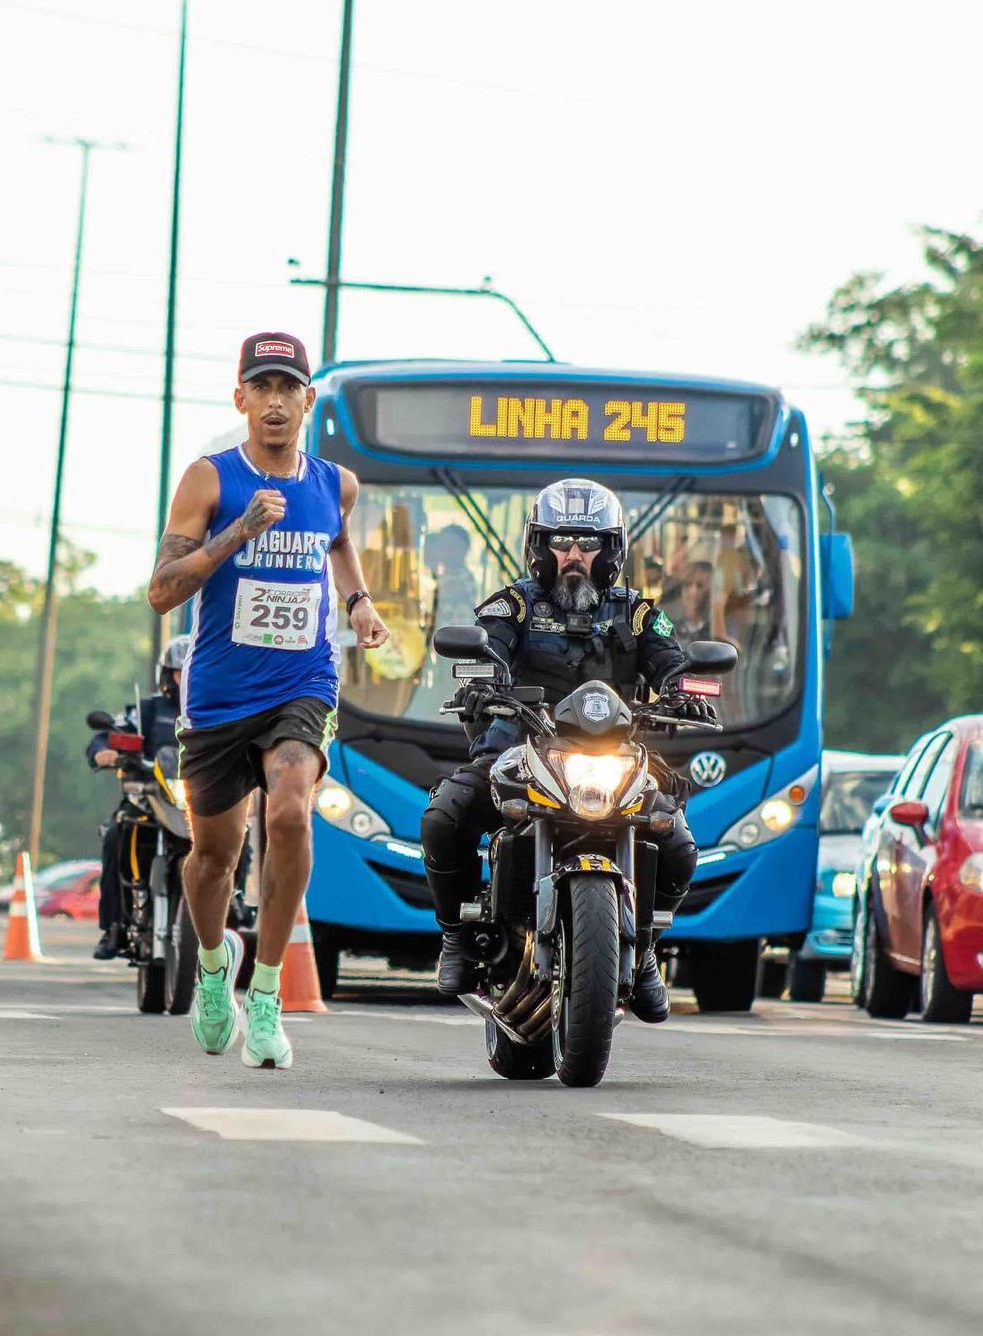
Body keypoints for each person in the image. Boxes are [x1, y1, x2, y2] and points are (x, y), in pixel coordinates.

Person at [148, 330, 389, 1068]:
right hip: (219, 694)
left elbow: (339, 542)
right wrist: (236, 535)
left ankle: (269, 993)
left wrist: (358, 604)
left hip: (302, 682)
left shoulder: (334, 484)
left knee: (289, 811)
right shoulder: (209, 481)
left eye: (290, 389)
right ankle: (217, 968)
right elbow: (162, 591)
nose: (276, 403)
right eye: (264, 388)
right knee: (212, 858)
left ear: (308, 401)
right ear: (241, 399)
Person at [420, 478, 716, 1023]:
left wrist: (684, 688)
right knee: (443, 817)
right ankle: (457, 936)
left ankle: (645, 946)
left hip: (618, 756)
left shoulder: (640, 612)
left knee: (676, 842)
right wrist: (485, 681)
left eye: (588, 543)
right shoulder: (511, 606)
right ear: (539, 546)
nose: (575, 555)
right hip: (520, 746)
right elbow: (488, 646)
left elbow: (671, 657)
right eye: (561, 542)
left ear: (612, 550)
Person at [87, 634, 191, 961]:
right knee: (117, 833)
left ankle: (237, 903)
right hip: (148, 798)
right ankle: (113, 927)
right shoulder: (146, 711)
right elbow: (108, 734)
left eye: (194, 669)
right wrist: (103, 751)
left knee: (238, 835)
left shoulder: (220, 708)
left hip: (198, 802)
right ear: (167, 676)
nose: (187, 678)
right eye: (179, 672)